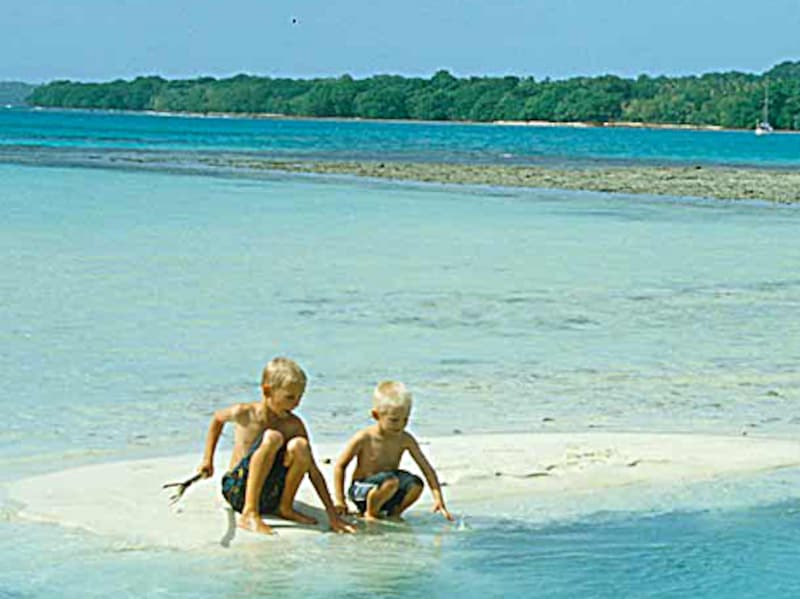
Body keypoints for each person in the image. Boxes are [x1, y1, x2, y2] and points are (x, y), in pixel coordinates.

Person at [197, 357, 354, 535]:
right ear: (267, 391)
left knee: (300, 446)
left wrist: (332, 516)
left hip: (272, 495)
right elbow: (218, 419)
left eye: (300, 397)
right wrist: (207, 460)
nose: (296, 403)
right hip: (238, 490)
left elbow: (313, 470)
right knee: (272, 437)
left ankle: (285, 507)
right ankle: (249, 512)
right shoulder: (245, 413)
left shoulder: (294, 424)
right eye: (289, 397)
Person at [333, 381, 454, 521]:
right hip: (362, 490)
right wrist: (340, 500)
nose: (401, 425)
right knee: (390, 482)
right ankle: (370, 513)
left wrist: (439, 499)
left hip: (389, 489)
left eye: (405, 420)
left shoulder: (405, 439)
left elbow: (426, 469)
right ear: (376, 415)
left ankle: (394, 512)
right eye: (394, 420)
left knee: (416, 484)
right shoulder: (364, 438)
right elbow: (340, 466)